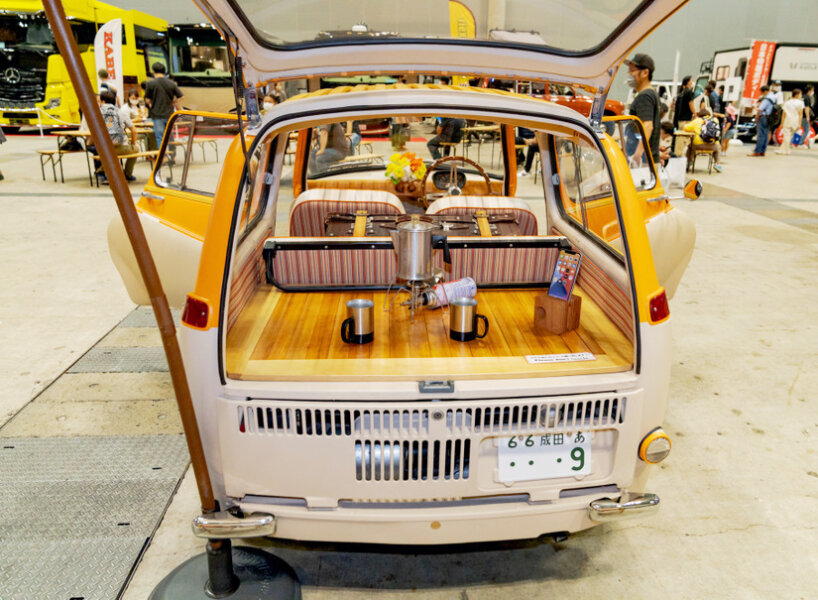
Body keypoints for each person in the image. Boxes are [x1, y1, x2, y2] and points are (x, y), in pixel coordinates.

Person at [626, 53, 661, 166]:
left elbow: (647, 126)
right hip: (649, 159)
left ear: (645, 73)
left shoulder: (644, 96)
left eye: (632, 70)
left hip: (643, 163)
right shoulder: (651, 93)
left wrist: (637, 156)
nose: (629, 74)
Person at [97, 90, 138, 183]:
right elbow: (134, 131)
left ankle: (105, 173)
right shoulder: (121, 112)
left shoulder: (97, 113)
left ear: (103, 102)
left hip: (104, 149)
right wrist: (133, 144)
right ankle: (127, 174)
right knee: (136, 150)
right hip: (120, 147)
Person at [144, 62, 183, 149]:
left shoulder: (150, 84)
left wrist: (151, 105)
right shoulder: (171, 83)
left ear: (154, 71)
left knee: (160, 137)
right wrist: (174, 102)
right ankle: (172, 155)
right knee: (170, 135)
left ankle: (163, 157)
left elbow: (147, 99)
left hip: (157, 114)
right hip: (169, 113)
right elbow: (181, 96)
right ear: (164, 71)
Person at [777, 88, 806, 155]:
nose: (801, 95)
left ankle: (785, 150)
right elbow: (800, 114)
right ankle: (783, 150)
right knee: (790, 136)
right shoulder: (801, 103)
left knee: (786, 136)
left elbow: (783, 114)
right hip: (795, 121)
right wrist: (799, 123)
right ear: (797, 94)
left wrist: (781, 123)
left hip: (787, 120)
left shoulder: (787, 102)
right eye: (800, 94)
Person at [749, 85, 776, 157]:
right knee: (765, 134)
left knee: (761, 135)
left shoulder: (767, 99)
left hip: (763, 117)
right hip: (769, 117)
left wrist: (754, 107)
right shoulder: (773, 97)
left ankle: (757, 151)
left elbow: (760, 109)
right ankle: (763, 151)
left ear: (765, 91)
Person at [673, 75, 695, 156]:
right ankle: (680, 155)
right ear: (688, 82)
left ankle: (678, 153)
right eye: (691, 80)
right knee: (683, 138)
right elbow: (691, 104)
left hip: (680, 118)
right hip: (686, 119)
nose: (692, 81)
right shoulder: (688, 92)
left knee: (680, 136)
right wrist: (695, 113)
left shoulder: (681, 93)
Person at [802, 84, 814, 149]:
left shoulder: (802, 96)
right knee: (806, 130)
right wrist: (808, 117)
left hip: (800, 115)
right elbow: (807, 108)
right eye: (812, 90)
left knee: (799, 129)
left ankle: (796, 142)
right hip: (804, 116)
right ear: (809, 91)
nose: (813, 92)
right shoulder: (807, 97)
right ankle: (801, 143)